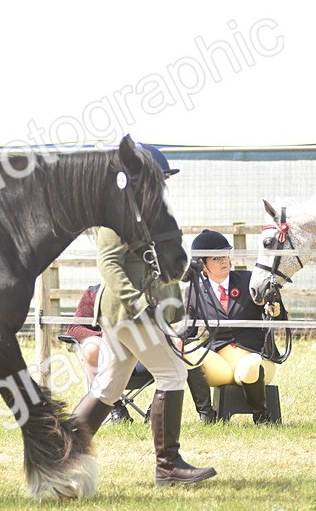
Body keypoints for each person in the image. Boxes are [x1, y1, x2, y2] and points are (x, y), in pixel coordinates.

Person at [70, 145, 217, 486]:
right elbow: (109, 264)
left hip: (131, 313)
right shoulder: (116, 214)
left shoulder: (141, 213)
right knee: (172, 372)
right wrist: (137, 304)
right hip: (129, 313)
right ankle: (168, 466)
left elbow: (149, 262)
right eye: (159, 178)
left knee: (109, 384)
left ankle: (62, 450)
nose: (163, 185)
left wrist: (183, 271)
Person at [66, 283, 217, 424]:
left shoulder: (149, 295)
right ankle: (115, 409)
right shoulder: (95, 293)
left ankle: (162, 413)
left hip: (144, 359)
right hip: (110, 355)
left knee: (176, 353)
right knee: (94, 354)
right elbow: (74, 328)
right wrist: (104, 339)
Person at [183, 229, 285, 424]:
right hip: (219, 363)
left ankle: (261, 416)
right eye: (216, 258)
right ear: (202, 265)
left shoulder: (251, 281)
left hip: (255, 357)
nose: (224, 261)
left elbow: (280, 317)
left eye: (226, 255)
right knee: (185, 350)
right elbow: (189, 334)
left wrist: (274, 307)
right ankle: (206, 415)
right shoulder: (193, 291)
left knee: (249, 366)